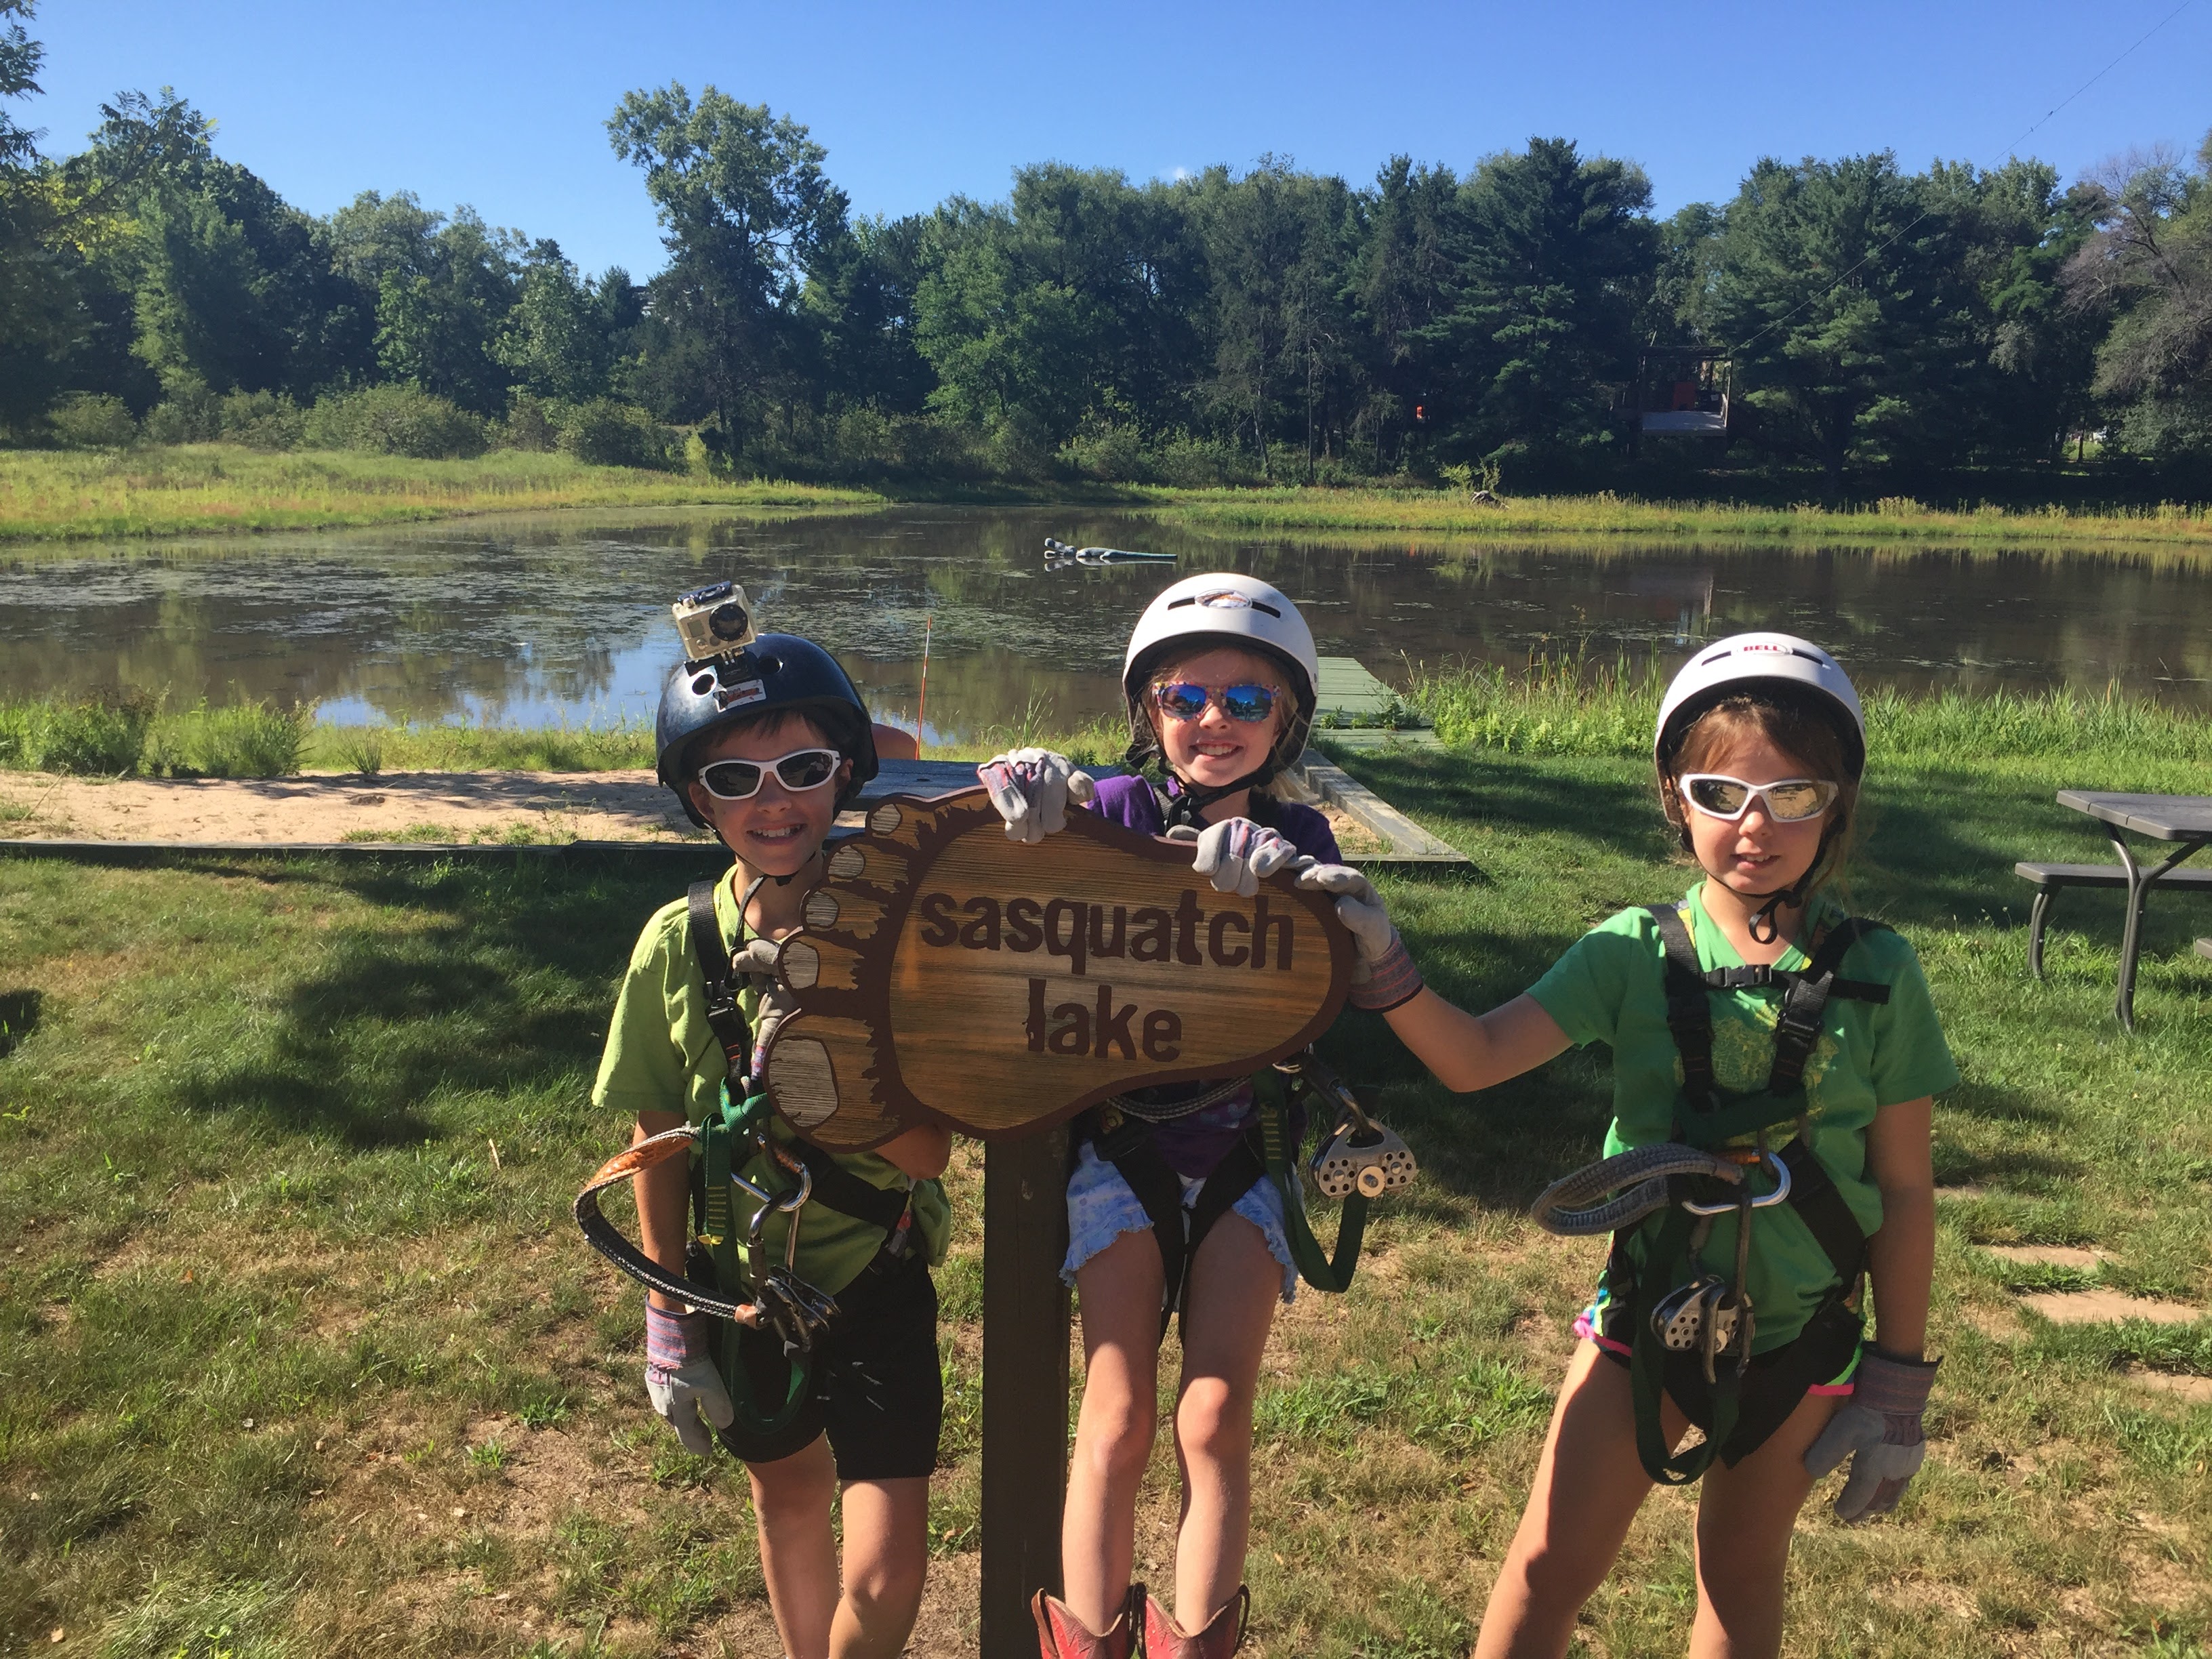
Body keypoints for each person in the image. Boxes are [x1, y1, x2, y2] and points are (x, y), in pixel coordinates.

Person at [1339, 633, 1954, 1659]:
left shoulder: (1881, 973)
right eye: (1721, 793)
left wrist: (1897, 1379)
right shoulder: (1630, 953)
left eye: (1792, 796)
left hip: (1802, 1338)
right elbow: (1477, 1057)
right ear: (1676, 796)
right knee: (1547, 1565)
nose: (1754, 827)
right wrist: (1386, 964)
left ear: (1838, 801)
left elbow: (1906, 1189)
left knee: (1741, 1575)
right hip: (1644, 1317)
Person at [979, 573, 1422, 1659]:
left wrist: (1309, 897)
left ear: (1288, 721)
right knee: (1120, 1415)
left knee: (1216, 1414)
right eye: (1186, 698)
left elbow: (1329, 962)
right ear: (1150, 712)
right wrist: (1026, 801)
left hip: (1240, 1146)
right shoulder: (1123, 813)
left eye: (1246, 702)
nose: (1213, 721)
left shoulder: (1298, 826)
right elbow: (1041, 838)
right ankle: (1086, 1640)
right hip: (1119, 1146)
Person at [592, 628, 955, 1659]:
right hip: (740, 1283)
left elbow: (928, 1153)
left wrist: (837, 1073)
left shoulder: (898, 934)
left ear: (845, 770)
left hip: (874, 1272)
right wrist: (671, 1312)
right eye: (735, 778)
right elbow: (656, 1134)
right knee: (789, 1503)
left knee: (885, 1574)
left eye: (803, 770)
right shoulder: (679, 943)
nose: (775, 801)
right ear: (698, 799)